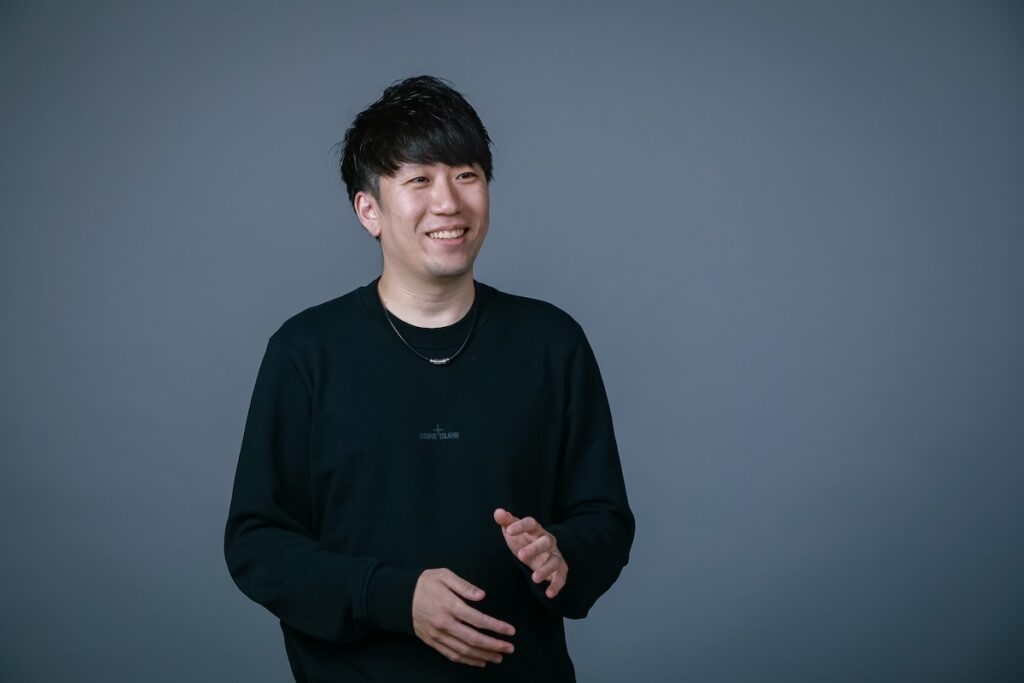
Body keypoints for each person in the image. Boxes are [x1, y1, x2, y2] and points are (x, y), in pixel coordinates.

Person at [224, 75, 634, 682]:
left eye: (466, 175)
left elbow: (606, 517)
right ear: (368, 210)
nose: (449, 203)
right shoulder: (305, 352)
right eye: (419, 180)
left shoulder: (552, 343)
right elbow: (257, 543)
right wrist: (393, 597)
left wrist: (561, 553)